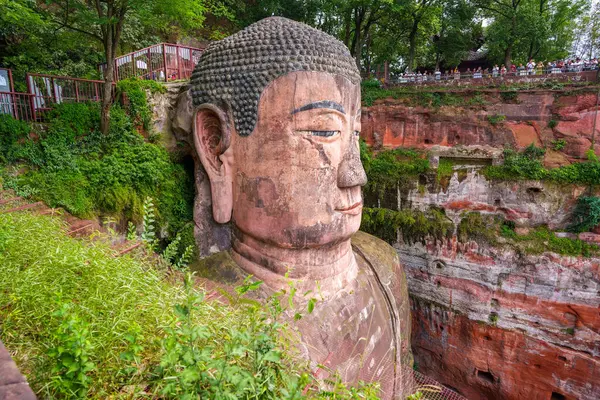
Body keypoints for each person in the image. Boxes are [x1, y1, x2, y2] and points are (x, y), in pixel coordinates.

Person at [188, 17, 413, 399]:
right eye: (325, 131)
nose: (356, 173)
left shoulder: (383, 265)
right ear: (216, 148)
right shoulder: (202, 312)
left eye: (354, 135)